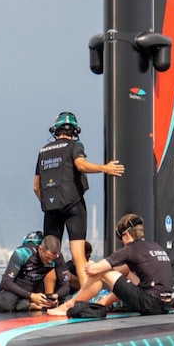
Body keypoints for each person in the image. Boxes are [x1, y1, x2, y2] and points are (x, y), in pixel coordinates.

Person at [33, 111, 124, 290]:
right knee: (79, 256)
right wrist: (105, 168)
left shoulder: (43, 151)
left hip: (51, 209)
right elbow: (81, 165)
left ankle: (49, 297)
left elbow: (36, 187)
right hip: (74, 206)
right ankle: (84, 297)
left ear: (56, 130)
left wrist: (48, 205)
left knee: (50, 257)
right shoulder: (75, 145)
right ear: (74, 130)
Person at [49, 213, 172, 317]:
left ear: (127, 235)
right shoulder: (154, 246)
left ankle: (69, 305)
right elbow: (122, 274)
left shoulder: (131, 248)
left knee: (101, 271)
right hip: (165, 305)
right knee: (126, 273)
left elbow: (94, 270)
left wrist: (91, 265)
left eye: (120, 237)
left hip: (149, 303)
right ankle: (102, 303)